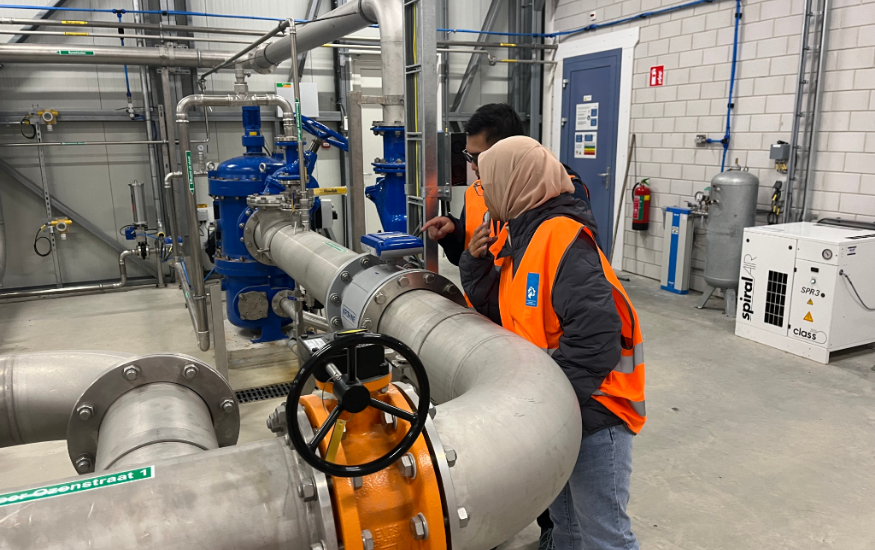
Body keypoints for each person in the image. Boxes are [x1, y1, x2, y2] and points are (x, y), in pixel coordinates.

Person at [460, 136, 646, 550]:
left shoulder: (561, 238)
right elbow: (499, 311)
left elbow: (598, 338)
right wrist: (474, 260)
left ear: (514, 182)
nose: (482, 191)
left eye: (487, 182)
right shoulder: (520, 236)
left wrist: (546, 402)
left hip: (597, 411)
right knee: (565, 526)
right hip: (560, 410)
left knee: (604, 536)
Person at [422, 103, 593, 267]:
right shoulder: (476, 191)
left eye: (478, 158)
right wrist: (454, 233)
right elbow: (468, 258)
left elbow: (578, 266)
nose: (473, 166)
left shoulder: (560, 191)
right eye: (470, 157)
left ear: (508, 150)